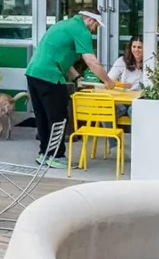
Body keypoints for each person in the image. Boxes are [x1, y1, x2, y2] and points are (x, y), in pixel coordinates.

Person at [24, 9, 111, 168]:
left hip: (33, 73)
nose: (94, 30)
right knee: (59, 117)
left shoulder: (63, 25)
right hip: (50, 77)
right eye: (96, 26)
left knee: (42, 116)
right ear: (90, 20)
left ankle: (44, 153)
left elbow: (61, 57)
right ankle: (56, 156)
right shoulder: (81, 30)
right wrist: (108, 81)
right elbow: (91, 61)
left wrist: (77, 78)